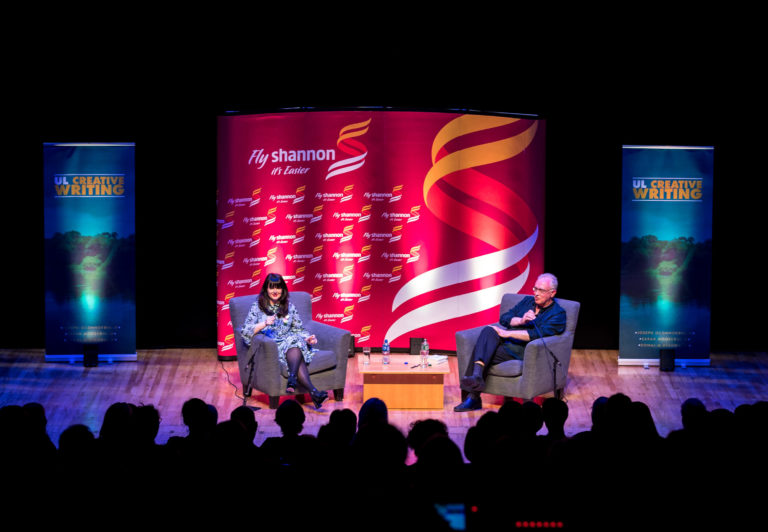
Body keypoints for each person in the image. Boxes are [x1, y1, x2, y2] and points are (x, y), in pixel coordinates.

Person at [454, 273, 567, 412]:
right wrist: (521, 320)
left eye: (541, 290)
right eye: (535, 289)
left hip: (522, 350)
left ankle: (473, 397)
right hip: (505, 342)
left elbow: (536, 335)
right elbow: (505, 318)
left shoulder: (557, 314)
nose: (536, 294)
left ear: (552, 293)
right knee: (489, 331)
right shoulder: (527, 301)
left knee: (481, 352)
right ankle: (477, 377)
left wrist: (506, 333)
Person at [241, 273, 328, 408]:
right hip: (270, 345)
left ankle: (294, 380)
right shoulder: (257, 307)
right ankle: (313, 391)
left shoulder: (289, 306)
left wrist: (307, 338)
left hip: (290, 342)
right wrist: (264, 323)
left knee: (296, 341)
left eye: (278, 288)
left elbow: (298, 328)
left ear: (283, 289)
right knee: (295, 343)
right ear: (266, 289)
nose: (275, 291)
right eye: (272, 288)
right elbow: (245, 331)